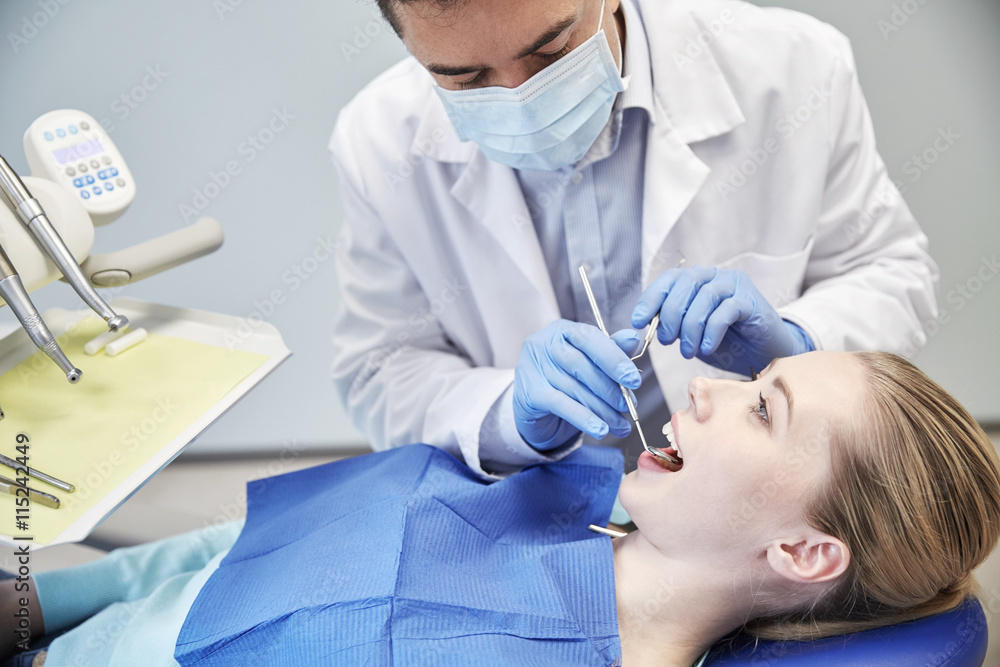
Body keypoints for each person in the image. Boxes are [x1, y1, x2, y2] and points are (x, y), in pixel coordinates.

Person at [3, 351, 998, 666]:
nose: (703, 385)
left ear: (803, 551)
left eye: (760, 405)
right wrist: (43, 603)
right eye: (752, 372)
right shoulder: (563, 491)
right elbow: (251, 547)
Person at [329, 0, 940, 477]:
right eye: (465, 79)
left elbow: (895, 276)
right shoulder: (377, 141)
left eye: (551, 51)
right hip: (532, 510)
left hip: (757, 508)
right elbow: (381, 368)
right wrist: (507, 414)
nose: (518, 98)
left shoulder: (795, 68)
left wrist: (796, 343)